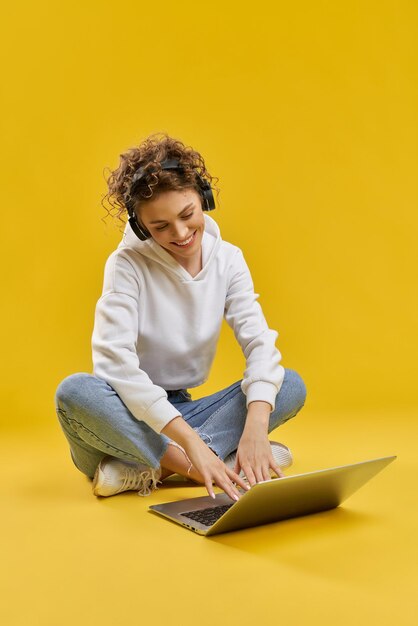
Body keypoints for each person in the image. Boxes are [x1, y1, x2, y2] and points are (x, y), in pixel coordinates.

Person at [54, 132, 307, 501]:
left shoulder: (229, 259)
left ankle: (144, 469)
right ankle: (209, 463)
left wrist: (255, 426)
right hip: (122, 412)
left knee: (288, 384)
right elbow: (116, 366)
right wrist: (193, 448)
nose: (182, 233)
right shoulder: (126, 265)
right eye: (160, 227)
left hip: (185, 408)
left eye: (188, 215)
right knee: (75, 392)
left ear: (203, 198)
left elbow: (259, 343)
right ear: (141, 227)